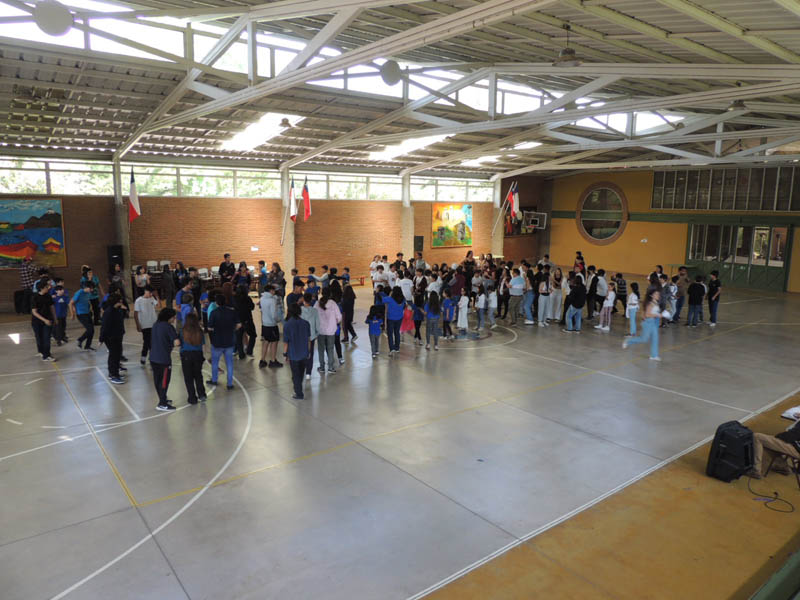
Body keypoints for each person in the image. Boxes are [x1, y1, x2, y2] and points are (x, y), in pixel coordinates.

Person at [207, 294, 240, 390]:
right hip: (230, 340)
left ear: (216, 303)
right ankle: (230, 383)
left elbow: (209, 327)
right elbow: (239, 324)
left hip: (217, 341)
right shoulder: (232, 312)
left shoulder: (214, 313)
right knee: (229, 363)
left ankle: (214, 379)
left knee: (215, 362)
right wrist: (233, 329)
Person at [150, 308, 180, 411]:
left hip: (153, 357)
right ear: (168, 317)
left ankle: (162, 399)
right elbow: (177, 343)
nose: (174, 319)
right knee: (164, 382)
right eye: (173, 317)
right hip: (163, 359)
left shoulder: (155, 325)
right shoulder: (168, 327)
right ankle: (162, 404)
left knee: (158, 380)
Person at [623, 287, 662, 360]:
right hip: (648, 323)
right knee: (644, 339)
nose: (658, 295)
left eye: (658, 294)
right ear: (651, 295)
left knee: (655, 338)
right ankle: (628, 341)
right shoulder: (651, 304)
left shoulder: (656, 303)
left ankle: (654, 355)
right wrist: (657, 315)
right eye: (656, 294)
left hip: (653, 323)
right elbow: (647, 315)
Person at [283, 302, 311, 400]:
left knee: (295, 374)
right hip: (304, 353)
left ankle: (299, 393)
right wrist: (308, 351)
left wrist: (285, 354)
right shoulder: (306, 323)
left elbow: (286, 342)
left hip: (293, 354)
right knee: (301, 372)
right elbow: (308, 340)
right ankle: (298, 388)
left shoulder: (287, 325)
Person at [180, 313, 207, 404]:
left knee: (188, 378)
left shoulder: (183, 331)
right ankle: (202, 394)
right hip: (198, 355)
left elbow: (178, 343)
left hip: (186, 355)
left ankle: (192, 398)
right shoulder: (199, 331)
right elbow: (203, 345)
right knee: (198, 375)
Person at [99, 292, 126, 384]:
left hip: (118, 336)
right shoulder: (109, 312)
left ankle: (116, 372)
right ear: (116, 301)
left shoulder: (117, 310)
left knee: (117, 355)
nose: (121, 301)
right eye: (120, 300)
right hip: (111, 338)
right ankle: (113, 375)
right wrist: (101, 339)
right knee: (113, 356)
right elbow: (104, 326)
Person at [316, 287, 341, 373]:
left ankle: (322, 367)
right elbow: (339, 317)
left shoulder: (317, 303)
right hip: (331, 330)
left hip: (320, 330)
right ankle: (331, 367)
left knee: (321, 349)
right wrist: (335, 323)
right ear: (330, 294)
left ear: (322, 293)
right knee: (330, 348)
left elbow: (314, 315)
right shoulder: (333, 303)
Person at [31, 278, 56, 361]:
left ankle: (46, 355)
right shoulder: (35, 297)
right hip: (37, 322)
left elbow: (52, 307)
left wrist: (55, 318)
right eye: (46, 287)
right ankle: (41, 351)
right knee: (39, 338)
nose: (48, 288)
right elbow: (34, 312)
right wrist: (44, 320)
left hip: (48, 320)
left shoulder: (48, 296)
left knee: (47, 338)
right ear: (41, 288)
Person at [134, 285, 159, 365]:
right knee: (147, 342)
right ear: (145, 291)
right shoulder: (138, 301)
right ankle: (144, 356)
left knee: (153, 342)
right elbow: (135, 314)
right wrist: (138, 325)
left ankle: (151, 358)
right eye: (150, 292)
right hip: (145, 325)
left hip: (153, 324)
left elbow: (159, 306)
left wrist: (156, 296)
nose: (151, 294)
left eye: (152, 293)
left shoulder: (152, 298)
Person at [259, 285, 282, 369]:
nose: (274, 292)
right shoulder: (272, 300)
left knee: (266, 341)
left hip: (264, 324)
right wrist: (278, 319)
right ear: (271, 291)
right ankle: (273, 361)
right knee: (274, 342)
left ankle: (262, 360)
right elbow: (273, 315)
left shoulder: (262, 298)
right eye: (274, 290)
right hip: (272, 325)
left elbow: (261, 310)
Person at [70, 281, 96, 351]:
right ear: (86, 287)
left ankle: (87, 346)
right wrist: (72, 314)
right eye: (91, 288)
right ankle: (80, 340)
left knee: (92, 330)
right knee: (90, 329)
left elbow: (87, 301)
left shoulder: (88, 293)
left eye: (92, 288)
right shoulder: (79, 293)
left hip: (87, 313)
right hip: (81, 314)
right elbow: (71, 303)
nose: (92, 290)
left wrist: (90, 307)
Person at [301, 292, 320, 378]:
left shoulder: (300, 310)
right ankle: (308, 373)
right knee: (310, 353)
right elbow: (317, 324)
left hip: (301, 336)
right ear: (311, 300)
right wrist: (317, 334)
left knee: (301, 352)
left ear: (303, 300)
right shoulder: (315, 311)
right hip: (311, 336)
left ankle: (302, 369)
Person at [233, 286, 256, 360]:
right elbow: (252, 307)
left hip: (238, 321)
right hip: (248, 320)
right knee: (253, 335)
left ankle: (241, 354)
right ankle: (249, 351)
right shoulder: (247, 298)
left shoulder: (234, 299)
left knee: (239, 338)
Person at [383, 286, 405, 355]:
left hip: (391, 318)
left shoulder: (390, 299)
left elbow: (382, 299)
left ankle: (392, 349)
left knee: (390, 334)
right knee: (397, 332)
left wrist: (390, 295)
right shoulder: (403, 299)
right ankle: (397, 348)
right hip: (399, 317)